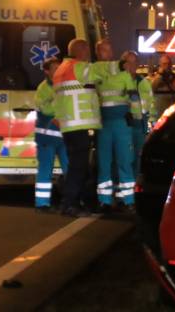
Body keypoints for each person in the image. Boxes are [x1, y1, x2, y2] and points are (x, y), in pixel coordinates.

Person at [53, 38, 120, 217]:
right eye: (88, 52)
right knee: (78, 167)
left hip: (69, 126)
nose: (89, 56)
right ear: (81, 51)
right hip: (79, 125)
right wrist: (121, 64)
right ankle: (70, 204)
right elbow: (100, 70)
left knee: (77, 166)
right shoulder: (78, 67)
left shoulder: (61, 69)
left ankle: (76, 202)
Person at [94, 40, 137, 212]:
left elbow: (133, 98)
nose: (108, 53)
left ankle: (127, 200)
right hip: (104, 123)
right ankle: (104, 199)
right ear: (98, 53)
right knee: (104, 163)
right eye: (104, 51)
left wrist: (135, 119)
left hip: (121, 122)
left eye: (109, 50)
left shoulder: (123, 73)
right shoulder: (95, 71)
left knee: (125, 161)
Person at [33, 57, 68, 212]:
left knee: (70, 169)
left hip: (64, 136)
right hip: (48, 137)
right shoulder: (43, 89)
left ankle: (70, 201)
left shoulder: (64, 86)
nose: (58, 71)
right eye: (55, 68)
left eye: (59, 68)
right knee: (45, 171)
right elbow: (46, 109)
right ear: (46, 71)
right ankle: (42, 204)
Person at [121, 50, 155, 175]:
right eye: (129, 63)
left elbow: (151, 104)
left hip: (140, 126)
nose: (132, 66)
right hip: (124, 125)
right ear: (123, 64)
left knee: (137, 159)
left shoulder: (144, 83)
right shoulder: (117, 82)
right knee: (124, 158)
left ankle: (133, 186)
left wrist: (150, 123)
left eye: (135, 62)